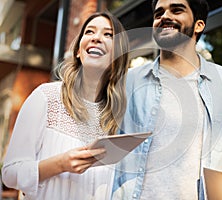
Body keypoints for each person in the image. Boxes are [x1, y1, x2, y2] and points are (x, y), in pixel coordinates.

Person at [112, 0, 222, 199]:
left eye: (177, 10)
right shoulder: (127, 82)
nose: (164, 17)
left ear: (199, 24)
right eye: (158, 13)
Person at [1, 11, 129, 200]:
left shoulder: (115, 117)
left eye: (108, 34)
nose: (96, 38)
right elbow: (9, 174)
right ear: (78, 51)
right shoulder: (46, 97)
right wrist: (61, 164)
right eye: (89, 32)